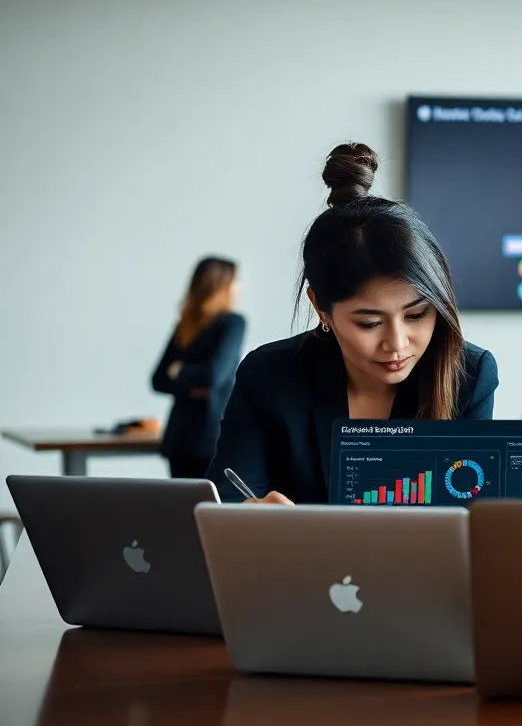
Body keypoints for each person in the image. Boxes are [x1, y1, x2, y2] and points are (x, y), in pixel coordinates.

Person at [206, 143, 499, 505]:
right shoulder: (270, 375)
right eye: (371, 323)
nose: (397, 343)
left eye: (417, 315)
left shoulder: (468, 374)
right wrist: (247, 515)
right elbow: (227, 498)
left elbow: (475, 506)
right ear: (322, 309)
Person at [151, 257, 246, 479]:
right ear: (221, 285)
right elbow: (157, 380)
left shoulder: (225, 324)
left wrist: (180, 372)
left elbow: (212, 376)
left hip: (191, 438)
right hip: (203, 437)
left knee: (186, 510)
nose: (240, 287)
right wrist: (195, 383)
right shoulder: (229, 323)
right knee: (207, 510)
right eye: (236, 280)